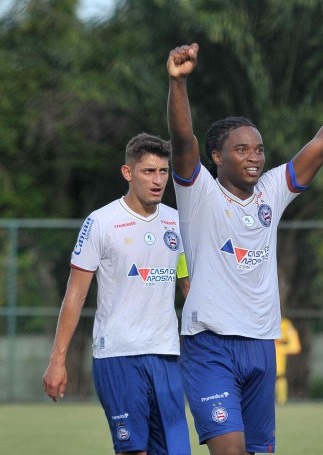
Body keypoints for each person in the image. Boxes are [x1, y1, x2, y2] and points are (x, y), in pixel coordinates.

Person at [166, 42, 323, 454]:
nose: (254, 157)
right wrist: (178, 83)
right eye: (241, 150)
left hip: (260, 345)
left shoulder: (271, 191)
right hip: (210, 345)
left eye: (258, 149)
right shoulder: (199, 194)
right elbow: (183, 142)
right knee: (230, 449)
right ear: (217, 156)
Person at [42, 133, 192, 455]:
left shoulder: (176, 223)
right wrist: (58, 361)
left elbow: (187, 284)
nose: (157, 180)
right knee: (133, 450)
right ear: (128, 173)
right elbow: (75, 294)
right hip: (118, 356)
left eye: (163, 172)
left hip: (166, 355)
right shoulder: (101, 222)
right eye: (148, 172)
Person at [274, 318, 302, 405]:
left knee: (279, 376)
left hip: (278, 350)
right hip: (264, 348)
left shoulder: (285, 324)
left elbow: (295, 346)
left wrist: (282, 349)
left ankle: (281, 400)